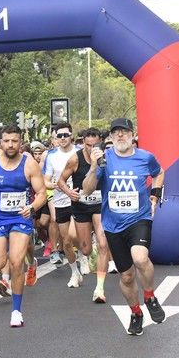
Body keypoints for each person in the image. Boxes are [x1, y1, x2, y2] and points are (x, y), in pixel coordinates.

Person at [82, 118, 167, 336]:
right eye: (116, 133)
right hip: (113, 224)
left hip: (139, 218)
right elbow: (88, 189)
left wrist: (155, 196)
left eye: (124, 132)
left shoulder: (145, 157)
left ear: (132, 134)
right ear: (110, 137)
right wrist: (93, 166)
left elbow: (159, 172)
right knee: (127, 276)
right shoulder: (104, 160)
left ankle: (149, 297)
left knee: (140, 258)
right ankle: (136, 312)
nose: (120, 136)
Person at [0, 124, 47, 327]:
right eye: (6, 141)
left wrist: (32, 207)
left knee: (17, 262)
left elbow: (42, 193)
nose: (10, 145)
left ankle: (16, 310)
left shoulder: (29, 164)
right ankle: (20, 260)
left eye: (14, 141)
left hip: (20, 217)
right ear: (0, 142)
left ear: (20, 143)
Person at [59, 128, 112, 303]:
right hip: (81, 206)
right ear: (83, 143)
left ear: (101, 142)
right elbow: (60, 180)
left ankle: (99, 288)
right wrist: (69, 192)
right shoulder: (75, 159)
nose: (91, 148)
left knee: (103, 244)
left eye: (95, 145)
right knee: (86, 249)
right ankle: (83, 260)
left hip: (100, 205)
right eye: (88, 145)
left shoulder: (106, 157)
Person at [43, 122, 81, 283]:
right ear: (56, 138)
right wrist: (52, 185)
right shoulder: (51, 156)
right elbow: (46, 179)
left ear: (71, 135)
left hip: (79, 199)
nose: (63, 138)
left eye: (66, 135)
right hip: (60, 200)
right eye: (60, 136)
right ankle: (75, 272)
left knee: (75, 235)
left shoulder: (79, 152)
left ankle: (83, 255)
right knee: (66, 241)